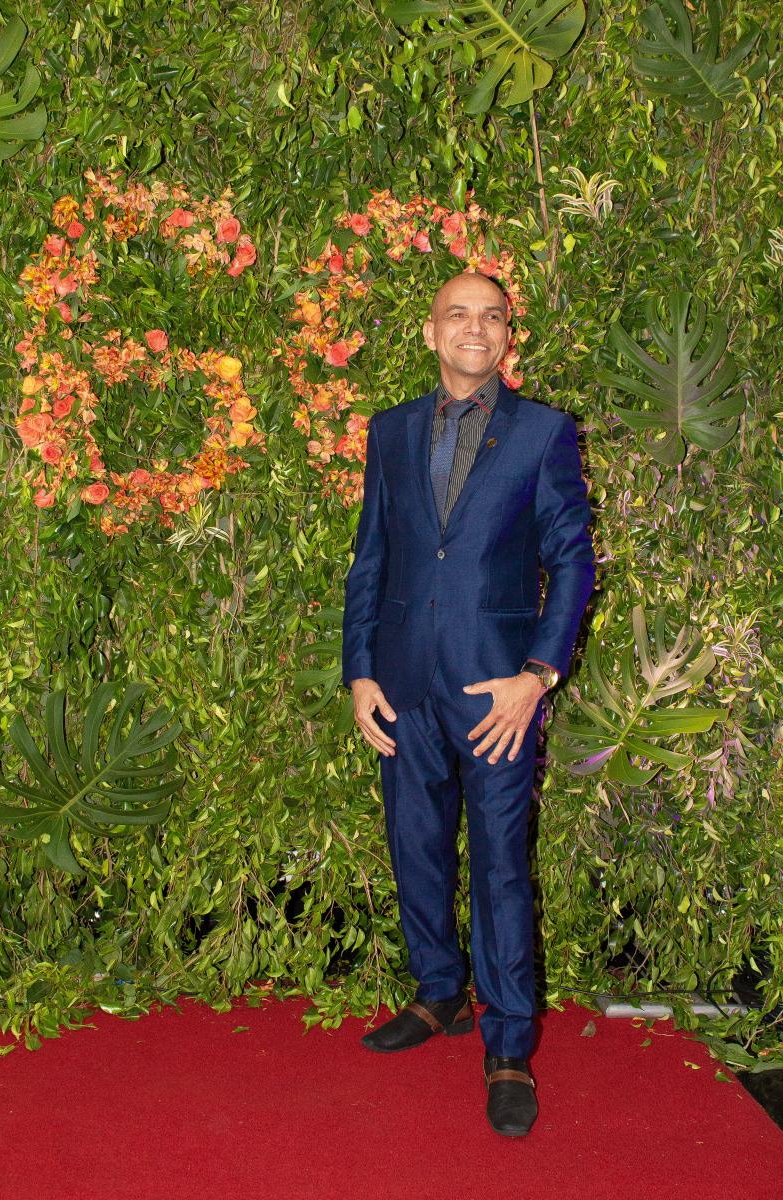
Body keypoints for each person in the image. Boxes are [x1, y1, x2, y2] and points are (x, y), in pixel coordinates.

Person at [341, 270, 596, 1137]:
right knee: (414, 846)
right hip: (403, 682)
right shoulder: (391, 430)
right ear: (431, 331)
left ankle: (509, 1045)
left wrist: (538, 675)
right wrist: (360, 671)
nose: (474, 328)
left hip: (498, 693)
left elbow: (572, 560)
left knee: (499, 867)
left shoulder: (545, 433)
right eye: (458, 314)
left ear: (508, 336)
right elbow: (372, 557)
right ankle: (439, 990)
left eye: (491, 316)